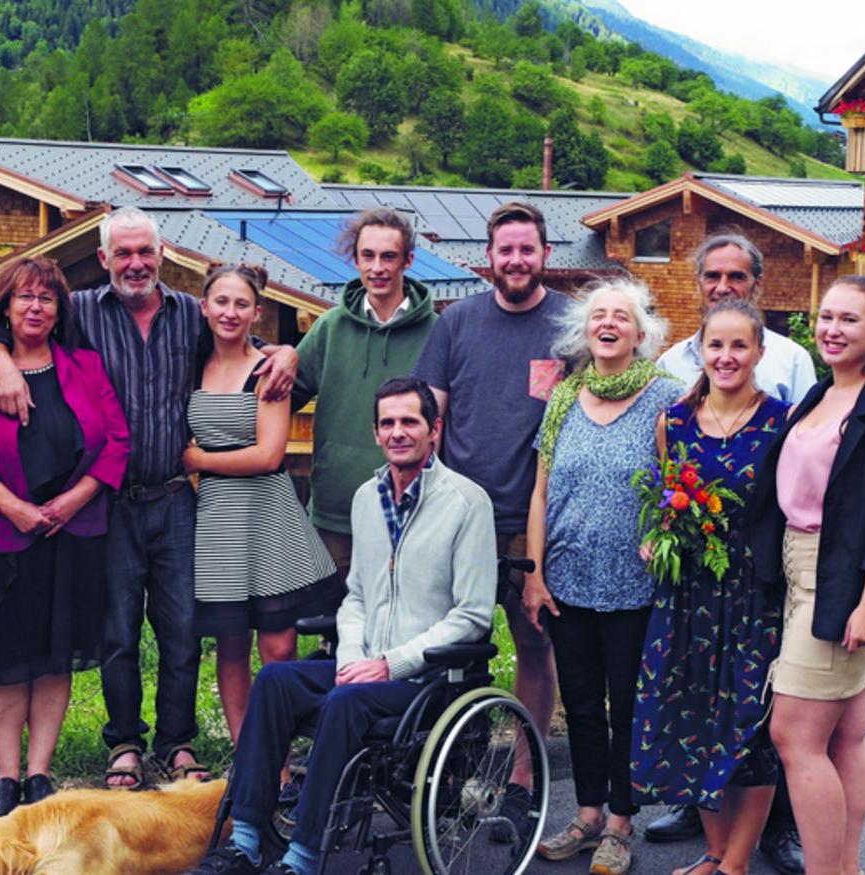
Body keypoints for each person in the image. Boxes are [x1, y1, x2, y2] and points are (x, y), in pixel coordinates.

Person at [0, 206, 297, 790]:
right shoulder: (81, 313)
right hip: (109, 501)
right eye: (123, 253)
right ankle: (124, 743)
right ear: (104, 259)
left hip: (175, 496)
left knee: (181, 629)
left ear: (162, 253)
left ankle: (178, 742)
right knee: (117, 632)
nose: (136, 263)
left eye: (145, 251)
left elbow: (239, 333)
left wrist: (286, 351)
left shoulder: (190, 314)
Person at [185, 377, 497, 875]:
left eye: (410, 421)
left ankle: (304, 855)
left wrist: (389, 664)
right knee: (275, 680)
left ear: (434, 429)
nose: (398, 432)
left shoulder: (467, 502)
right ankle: (245, 840)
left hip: (428, 678)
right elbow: (357, 596)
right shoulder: (367, 498)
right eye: (387, 423)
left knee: (345, 702)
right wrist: (352, 658)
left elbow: (473, 615)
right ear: (375, 432)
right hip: (364, 668)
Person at [646, 232, 813, 875]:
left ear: (759, 350)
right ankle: (715, 852)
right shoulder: (673, 410)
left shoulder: (786, 410)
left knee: (751, 722)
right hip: (689, 591)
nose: (726, 356)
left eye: (739, 346)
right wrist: (658, 533)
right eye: (716, 346)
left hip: (753, 588)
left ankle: (745, 855)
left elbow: (804, 499)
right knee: (694, 717)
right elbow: (666, 492)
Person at [751, 269, 865, 875]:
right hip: (803, 573)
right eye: (826, 316)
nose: (832, 328)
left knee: (794, 736)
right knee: (846, 734)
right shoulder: (821, 394)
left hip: (845, 586)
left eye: (849, 319)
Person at [413, 201, 575, 802]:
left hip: (536, 523)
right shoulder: (457, 322)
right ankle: (452, 766)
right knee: (452, 647)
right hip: (462, 522)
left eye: (527, 249)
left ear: (545, 255)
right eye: (505, 250)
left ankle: (522, 772)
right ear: (489, 257)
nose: (516, 260)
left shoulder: (571, 325)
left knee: (534, 643)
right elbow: (430, 416)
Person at [0, 257, 130, 816]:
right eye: (24, 297)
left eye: (46, 298)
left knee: (56, 655)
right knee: (7, 657)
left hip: (74, 531)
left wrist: (74, 499)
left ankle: (39, 774)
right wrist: (11, 507)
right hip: (3, 537)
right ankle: (6, 777)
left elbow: (117, 441)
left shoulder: (86, 366)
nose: (35, 307)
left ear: (59, 311)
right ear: (5, 307)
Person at [524, 279, 684, 875]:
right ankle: (587, 814)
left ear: (640, 334)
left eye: (621, 316)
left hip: (634, 586)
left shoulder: (666, 396)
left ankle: (621, 822)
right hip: (567, 581)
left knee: (629, 708)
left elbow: (682, 487)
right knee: (582, 704)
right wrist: (535, 574)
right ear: (585, 331)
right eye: (598, 316)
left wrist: (662, 533)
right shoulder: (564, 398)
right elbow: (540, 494)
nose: (608, 323)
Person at [182, 263, 344, 744]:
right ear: (204, 306)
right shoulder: (191, 364)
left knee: (278, 647)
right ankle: (247, 756)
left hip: (268, 516)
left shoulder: (269, 370)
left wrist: (198, 459)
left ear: (256, 312)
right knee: (231, 647)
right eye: (221, 302)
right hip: (218, 520)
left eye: (242, 304)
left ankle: (281, 758)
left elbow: (269, 454)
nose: (230, 313)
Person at [291, 208, 436, 587]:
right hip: (336, 511)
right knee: (334, 617)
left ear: (408, 260)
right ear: (355, 260)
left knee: (401, 613)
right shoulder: (329, 327)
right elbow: (284, 395)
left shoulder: (437, 333)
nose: (377, 267)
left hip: (412, 510)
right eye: (367, 256)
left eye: (389, 256)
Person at [656, 233, 817, 405]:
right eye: (713, 276)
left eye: (736, 277)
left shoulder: (792, 360)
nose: (722, 288)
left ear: (757, 284)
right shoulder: (670, 363)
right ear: (698, 282)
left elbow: (809, 422)